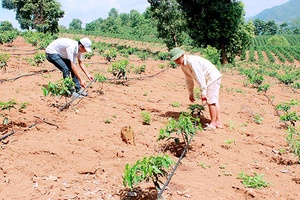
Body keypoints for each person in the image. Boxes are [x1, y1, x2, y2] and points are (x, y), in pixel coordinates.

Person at [170, 47, 223, 130]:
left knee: (211, 101)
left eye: (177, 59)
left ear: (182, 55)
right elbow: (188, 79)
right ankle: (218, 122)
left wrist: (203, 93)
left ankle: (213, 123)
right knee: (213, 100)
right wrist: (190, 92)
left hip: (212, 77)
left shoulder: (192, 62)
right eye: (174, 60)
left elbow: (200, 77)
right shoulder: (183, 66)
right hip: (208, 78)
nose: (176, 61)